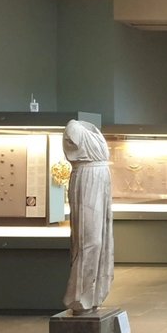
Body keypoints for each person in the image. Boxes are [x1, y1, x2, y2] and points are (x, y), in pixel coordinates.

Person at [62, 120, 113, 314]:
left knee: (102, 240)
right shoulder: (73, 129)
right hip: (87, 179)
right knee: (90, 240)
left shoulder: (92, 131)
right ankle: (78, 297)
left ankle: (93, 294)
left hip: (101, 177)